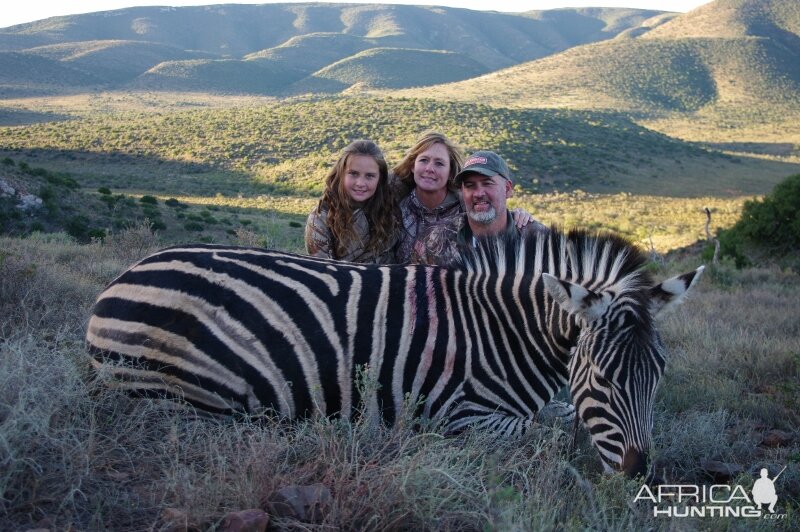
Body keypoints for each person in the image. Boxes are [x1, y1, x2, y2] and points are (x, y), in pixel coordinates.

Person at [393, 132, 534, 265]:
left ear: (450, 172)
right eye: (423, 160)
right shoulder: (394, 205)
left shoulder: (466, 207)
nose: (430, 168)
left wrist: (516, 216)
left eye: (439, 163)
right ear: (413, 166)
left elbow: (494, 212)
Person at [305, 140, 397, 263]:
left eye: (369, 176)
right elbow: (322, 271)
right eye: (353, 173)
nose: (360, 183)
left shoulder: (389, 208)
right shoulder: (321, 218)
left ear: (380, 179)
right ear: (340, 174)